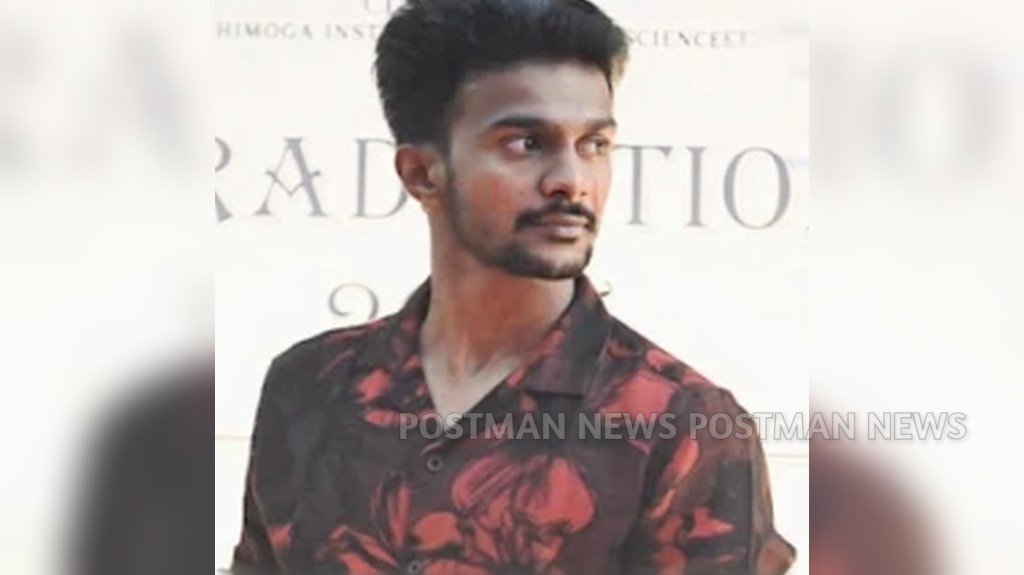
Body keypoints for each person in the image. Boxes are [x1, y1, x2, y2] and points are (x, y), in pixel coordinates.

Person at [231, 1, 795, 573]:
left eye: (594, 145)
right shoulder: (308, 386)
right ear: (421, 173)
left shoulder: (684, 427)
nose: (572, 181)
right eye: (527, 143)